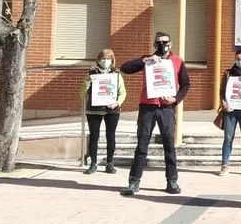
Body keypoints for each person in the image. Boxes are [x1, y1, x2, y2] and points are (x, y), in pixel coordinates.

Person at [119, 31, 191, 196]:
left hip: (166, 108)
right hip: (147, 107)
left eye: (165, 42)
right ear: (154, 44)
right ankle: (134, 181)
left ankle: (172, 181)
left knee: (169, 145)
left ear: (170, 44)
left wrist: (175, 99)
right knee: (142, 144)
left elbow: (186, 84)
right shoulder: (147, 60)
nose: (162, 45)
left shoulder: (177, 61)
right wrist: (145, 60)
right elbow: (125, 68)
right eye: (158, 42)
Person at [80, 49, 127, 175]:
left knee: (110, 136)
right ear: (98, 60)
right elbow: (82, 94)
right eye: (103, 58)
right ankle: (93, 163)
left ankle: (110, 163)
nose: (105, 61)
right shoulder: (92, 73)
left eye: (108, 59)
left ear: (112, 60)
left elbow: (122, 92)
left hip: (111, 110)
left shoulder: (116, 74)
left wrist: (117, 103)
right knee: (94, 137)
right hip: (94, 111)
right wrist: (88, 81)